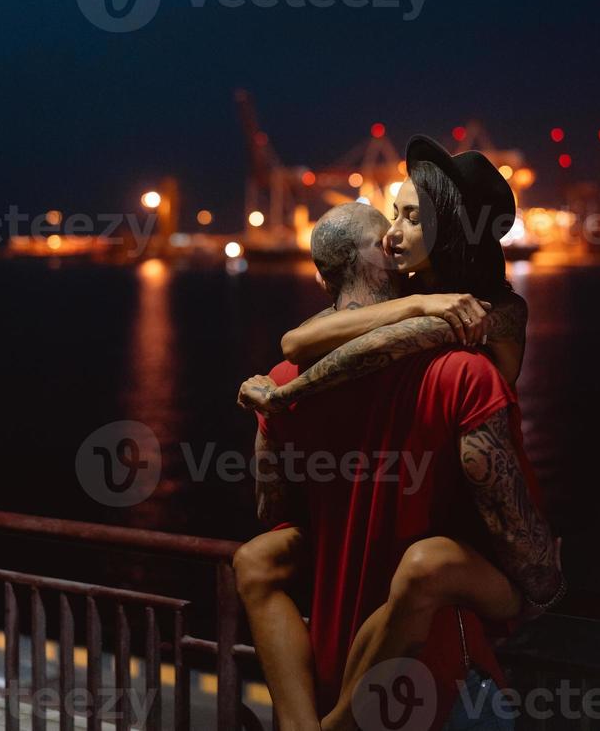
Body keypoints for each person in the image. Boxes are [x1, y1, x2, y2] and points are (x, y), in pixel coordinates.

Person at [235, 139, 565, 730]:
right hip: (442, 667)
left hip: (482, 582)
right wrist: (420, 305)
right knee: (415, 569)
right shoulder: (440, 325)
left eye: (411, 217)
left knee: (423, 566)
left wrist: (287, 394)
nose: (394, 231)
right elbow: (302, 342)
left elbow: (359, 346)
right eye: (393, 215)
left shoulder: (489, 317)